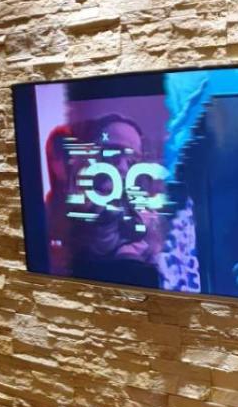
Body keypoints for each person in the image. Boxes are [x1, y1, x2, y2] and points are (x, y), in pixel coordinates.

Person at [44, 113, 166, 288]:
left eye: (132, 160)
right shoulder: (53, 220)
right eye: (112, 153)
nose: (123, 167)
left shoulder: (145, 229)